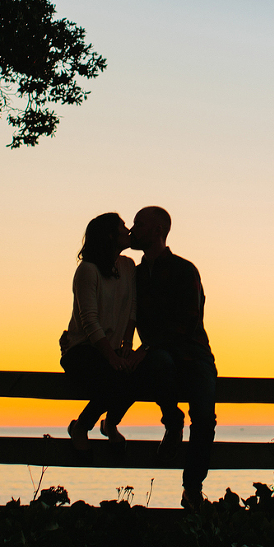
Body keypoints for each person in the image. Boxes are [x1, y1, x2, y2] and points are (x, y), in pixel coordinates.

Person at [124, 206, 217, 509]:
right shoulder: (133, 275)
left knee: (204, 418)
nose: (132, 229)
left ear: (158, 230)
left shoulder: (183, 269)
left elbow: (189, 320)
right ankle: (172, 421)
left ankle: (192, 488)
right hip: (158, 356)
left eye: (139, 224)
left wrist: (147, 347)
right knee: (159, 365)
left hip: (193, 353)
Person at [59, 212, 137, 453]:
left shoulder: (127, 266)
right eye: (123, 227)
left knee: (137, 378)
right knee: (113, 381)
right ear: (110, 235)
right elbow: (90, 321)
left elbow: (132, 309)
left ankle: (110, 424)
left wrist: (126, 344)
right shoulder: (88, 271)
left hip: (111, 349)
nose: (129, 230)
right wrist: (112, 358)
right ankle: (82, 426)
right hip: (83, 350)